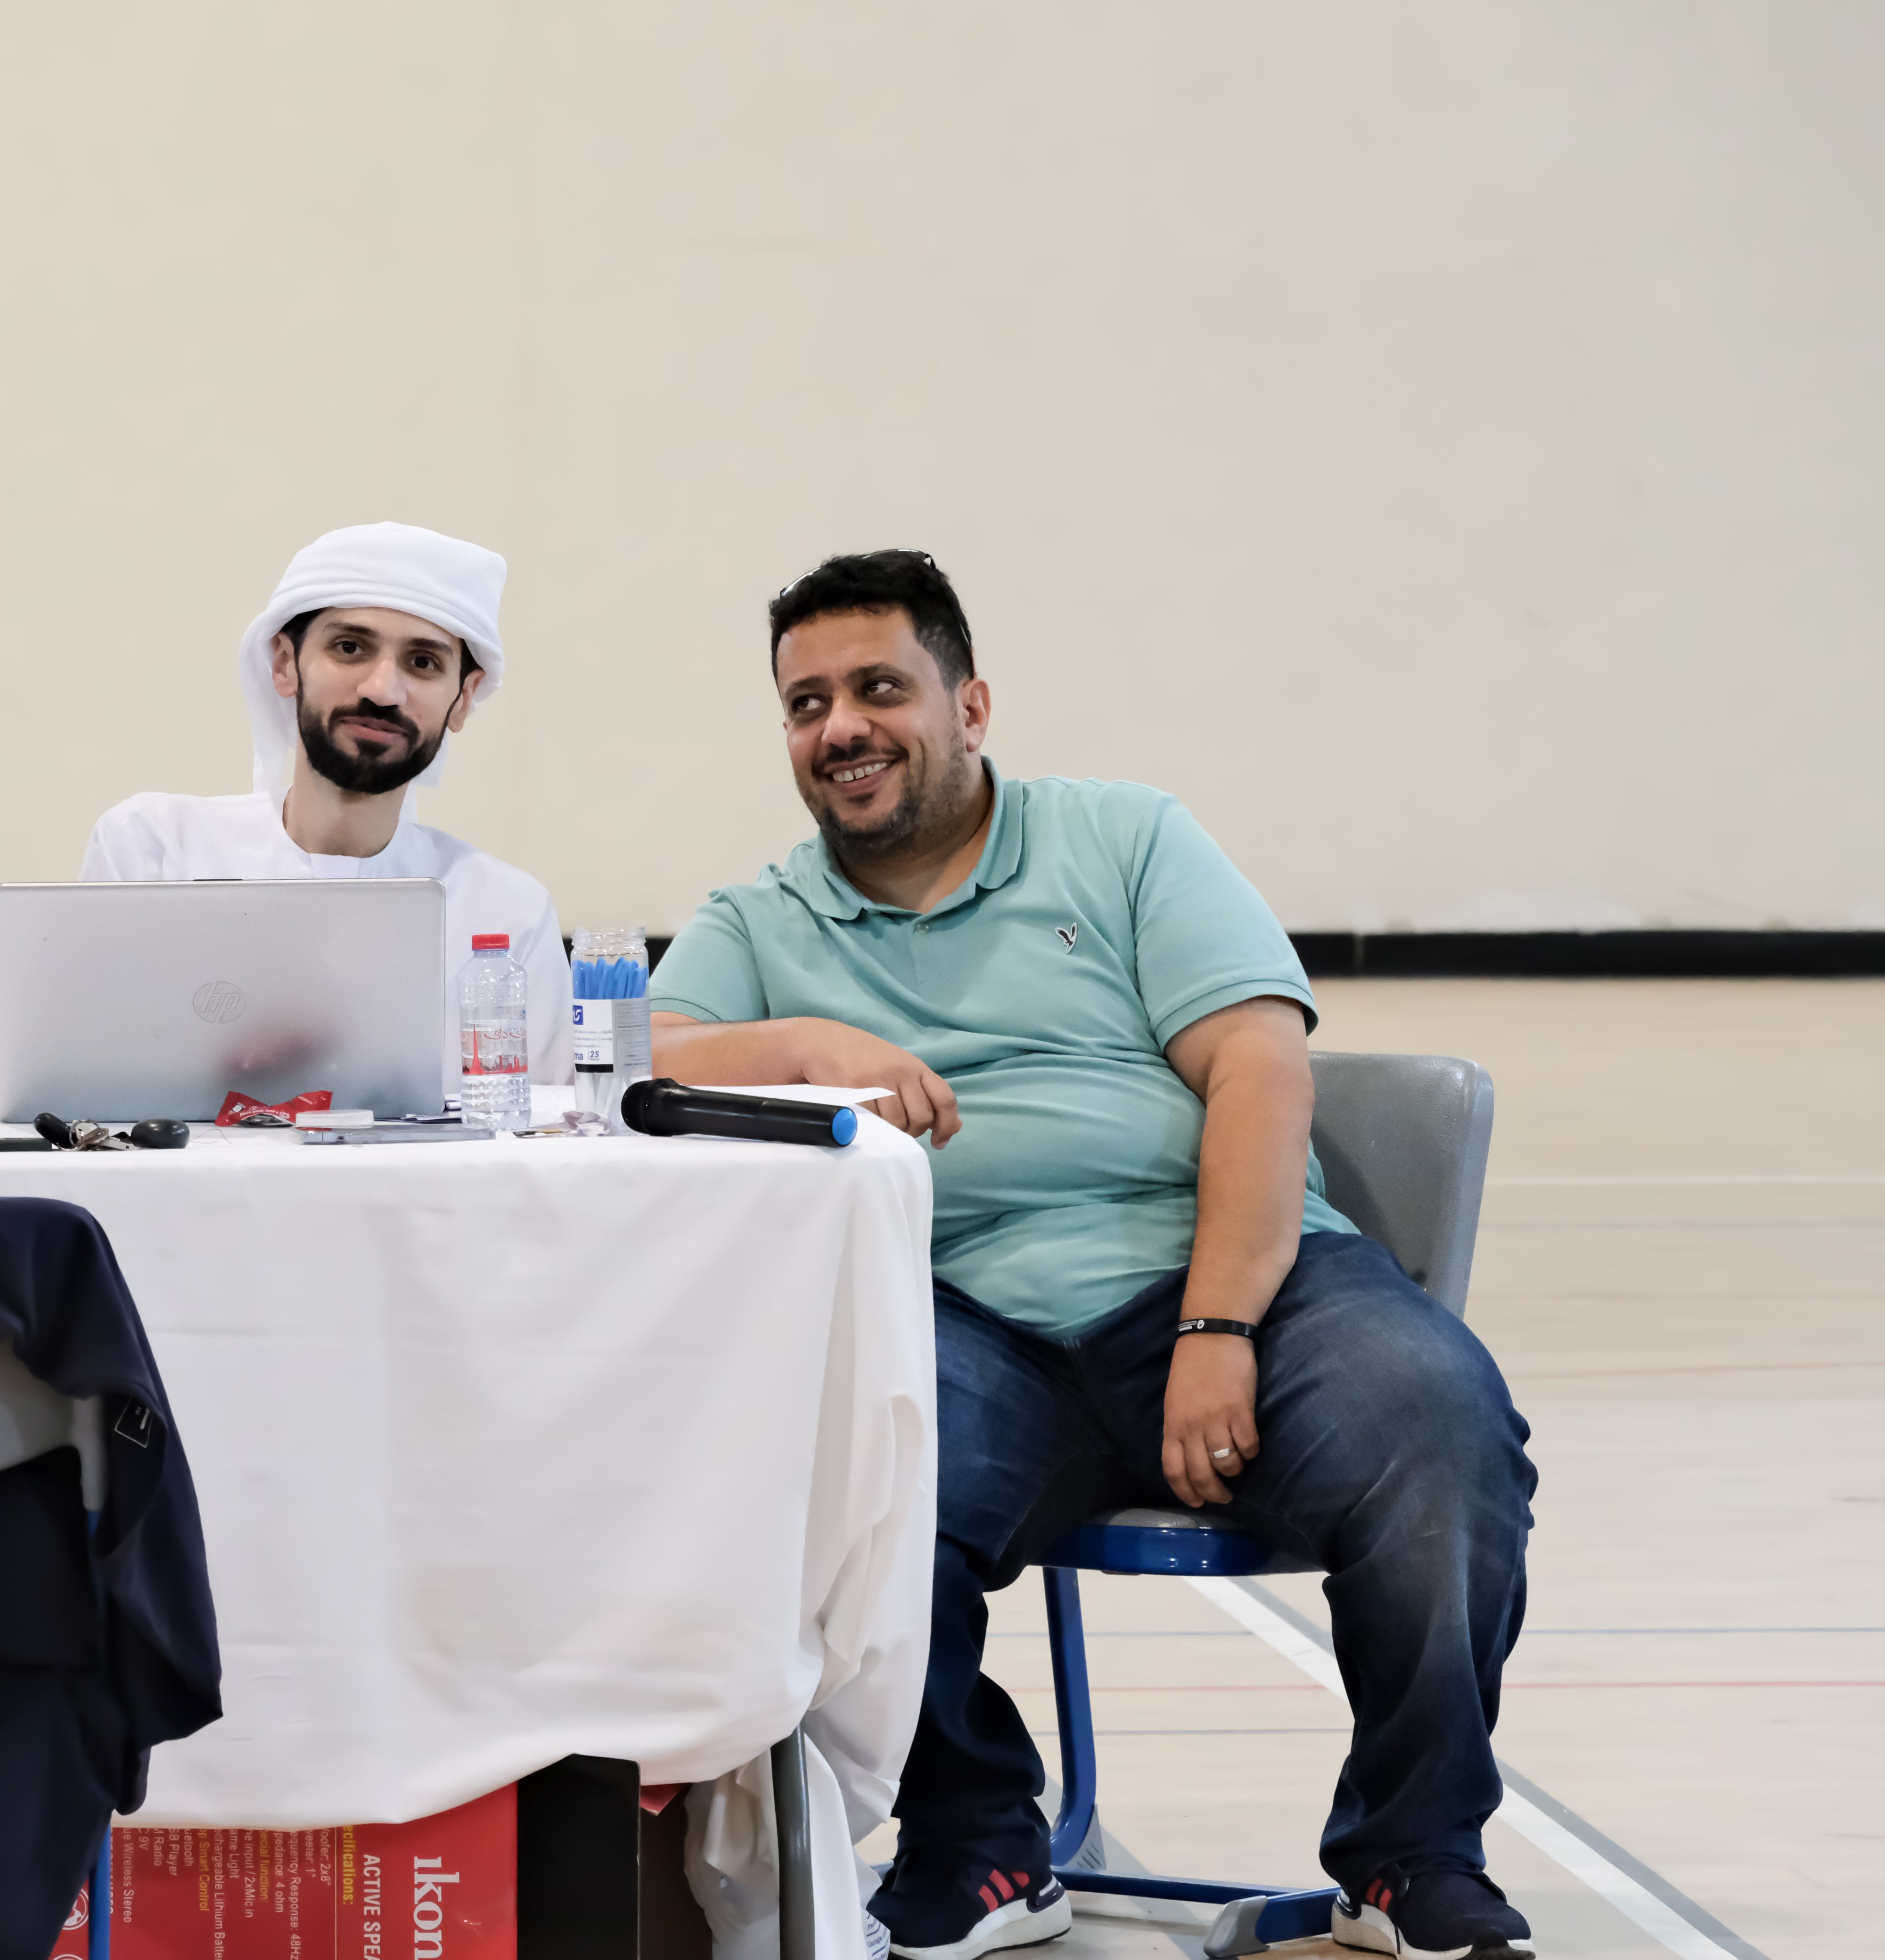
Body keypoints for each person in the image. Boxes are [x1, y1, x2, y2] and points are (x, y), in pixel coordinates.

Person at [647, 551, 1538, 1960]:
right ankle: (980, 1844)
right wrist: (804, 1045)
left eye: (878, 688)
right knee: (825, 1470)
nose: (841, 727)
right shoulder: (763, 920)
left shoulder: (1122, 839)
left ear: (969, 705)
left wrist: (1216, 1328)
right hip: (960, 1317)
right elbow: (635, 1061)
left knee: (1437, 1423)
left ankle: (1408, 1852)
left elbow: (1258, 1070)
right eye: (806, 704)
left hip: (1237, 1283)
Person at [79, 522, 572, 1102]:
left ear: (462, 699)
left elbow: (551, 1130)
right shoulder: (155, 850)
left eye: (422, 662)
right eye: (350, 648)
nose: (383, 690)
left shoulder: (509, 910)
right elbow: (89, 1089)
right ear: (285, 663)